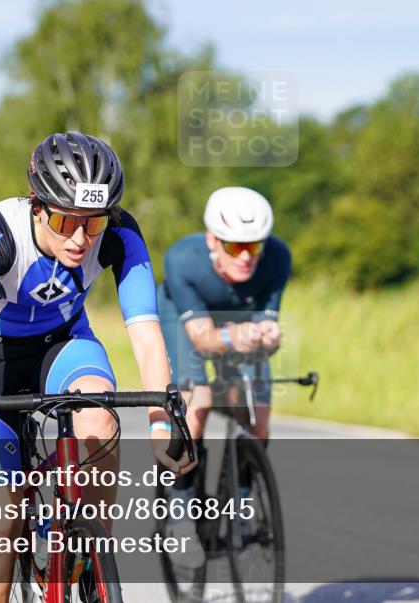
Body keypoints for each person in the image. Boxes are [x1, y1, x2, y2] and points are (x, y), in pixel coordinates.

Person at [0, 131, 193, 602]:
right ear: (37, 205)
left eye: (93, 224)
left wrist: (162, 426)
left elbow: (147, 337)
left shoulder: (121, 234)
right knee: (1, 515)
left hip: (64, 342)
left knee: (99, 419)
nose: (79, 238)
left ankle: (87, 551)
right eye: (64, 220)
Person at [157, 186, 291, 566]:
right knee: (194, 404)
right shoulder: (183, 259)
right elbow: (201, 338)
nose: (247, 257)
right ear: (213, 240)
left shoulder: (277, 258)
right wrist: (234, 336)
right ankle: (180, 516)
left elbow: (266, 326)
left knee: (258, 413)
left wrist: (268, 337)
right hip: (187, 320)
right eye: (235, 247)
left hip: (238, 320)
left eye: (255, 245)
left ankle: (244, 505)